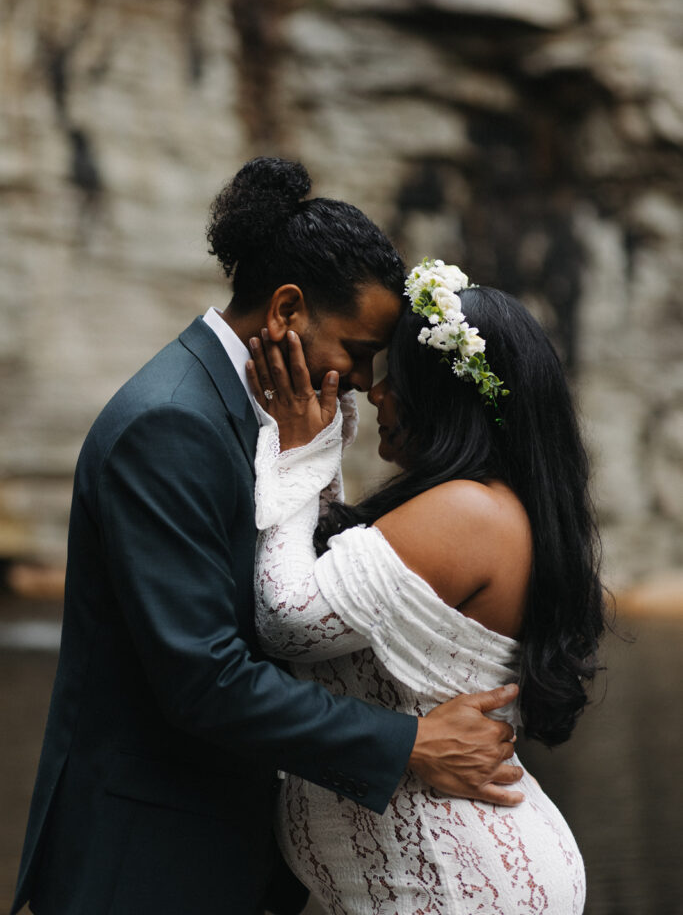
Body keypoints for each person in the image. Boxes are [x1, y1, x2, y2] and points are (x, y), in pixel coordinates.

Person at [13, 162, 523, 915]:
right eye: (357, 349)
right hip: (147, 860)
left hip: (221, 849)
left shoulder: (266, 414)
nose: (362, 378)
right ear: (287, 309)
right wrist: (408, 744)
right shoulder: (172, 424)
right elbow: (204, 677)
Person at [247, 258, 606, 913]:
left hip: (459, 885)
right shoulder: (482, 507)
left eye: (398, 378)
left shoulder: (469, 512)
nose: (376, 392)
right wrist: (322, 450)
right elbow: (329, 578)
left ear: (444, 397)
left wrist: (296, 452)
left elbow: (290, 618)